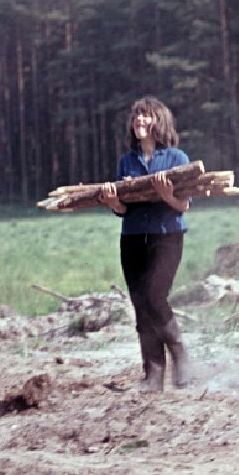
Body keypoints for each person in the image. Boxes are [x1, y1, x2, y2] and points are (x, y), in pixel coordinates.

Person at [100, 96, 192, 391]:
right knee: (141, 304)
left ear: (159, 121)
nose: (139, 120)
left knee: (155, 295)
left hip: (167, 236)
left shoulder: (177, 158)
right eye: (136, 116)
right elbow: (123, 209)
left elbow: (184, 206)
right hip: (132, 238)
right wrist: (114, 203)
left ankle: (179, 354)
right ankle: (153, 375)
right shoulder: (126, 161)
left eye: (145, 115)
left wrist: (167, 197)